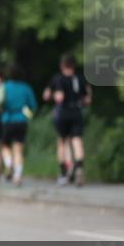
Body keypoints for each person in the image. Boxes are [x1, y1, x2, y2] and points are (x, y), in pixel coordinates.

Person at [43, 54, 92, 187]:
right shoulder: (80, 79)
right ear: (74, 66)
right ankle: (79, 168)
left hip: (63, 113)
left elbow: (55, 96)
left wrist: (51, 95)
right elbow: (88, 99)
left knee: (62, 142)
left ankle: (64, 173)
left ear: (62, 65)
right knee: (77, 141)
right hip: (77, 112)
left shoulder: (58, 79)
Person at [0, 63, 38, 187]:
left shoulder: (4, 87)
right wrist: (27, 115)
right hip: (21, 120)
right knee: (18, 150)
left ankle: (9, 164)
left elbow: (0, 103)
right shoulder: (26, 88)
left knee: (5, 146)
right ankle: (18, 175)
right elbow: (33, 106)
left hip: (7, 120)